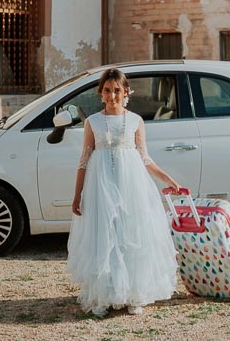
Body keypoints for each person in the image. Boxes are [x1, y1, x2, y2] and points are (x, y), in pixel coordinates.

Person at [67, 67, 182, 317]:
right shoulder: (93, 122)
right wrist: (77, 194)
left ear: (125, 91)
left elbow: (145, 158)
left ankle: (134, 293)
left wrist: (168, 179)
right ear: (101, 93)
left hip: (131, 186)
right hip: (101, 187)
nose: (112, 95)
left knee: (131, 235)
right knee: (104, 237)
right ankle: (103, 296)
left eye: (117, 90)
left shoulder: (135, 121)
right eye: (107, 91)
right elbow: (84, 161)